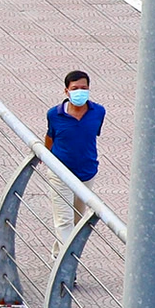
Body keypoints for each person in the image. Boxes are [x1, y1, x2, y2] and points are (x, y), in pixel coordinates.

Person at [43, 70, 103, 228]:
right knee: (64, 220)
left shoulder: (98, 112)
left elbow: (91, 136)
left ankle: (58, 253)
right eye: (75, 89)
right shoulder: (54, 114)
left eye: (84, 88)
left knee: (77, 220)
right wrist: (47, 158)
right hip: (60, 171)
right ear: (66, 91)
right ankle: (68, 254)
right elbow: (50, 137)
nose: (80, 92)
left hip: (86, 172)